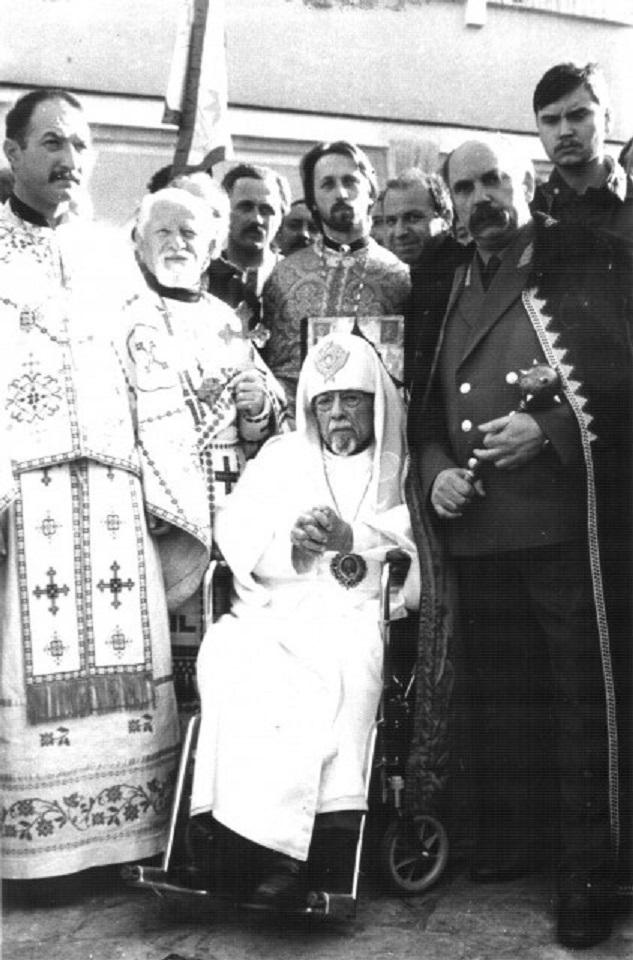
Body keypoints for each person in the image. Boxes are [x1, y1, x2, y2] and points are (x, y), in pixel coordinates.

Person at [410, 136, 632, 949]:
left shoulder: (586, 257)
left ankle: (588, 873)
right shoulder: (440, 276)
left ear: (525, 181)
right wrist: (435, 469)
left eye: (495, 181)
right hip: (477, 529)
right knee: (505, 697)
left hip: (563, 522)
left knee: (579, 700)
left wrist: (550, 429)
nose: (483, 199)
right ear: (450, 201)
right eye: (465, 188)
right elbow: (424, 406)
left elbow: (622, 377)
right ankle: (521, 841)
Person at [0, 89, 211, 884]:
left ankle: (132, 842)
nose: (71, 158)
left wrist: (167, 484)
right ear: (12, 152)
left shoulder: (108, 255)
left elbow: (150, 366)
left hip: (116, 493)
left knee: (130, 657)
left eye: (82, 144)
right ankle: (35, 856)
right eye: (52, 142)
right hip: (24, 495)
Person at [190, 332, 419, 907]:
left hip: (356, 609)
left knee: (331, 665)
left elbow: (414, 545)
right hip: (275, 604)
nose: (337, 413)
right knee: (228, 653)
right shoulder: (281, 455)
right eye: (325, 401)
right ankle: (224, 837)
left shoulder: (402, 465)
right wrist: (288, 547)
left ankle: (293, 853)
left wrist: (352, 537)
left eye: (352, 399)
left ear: (377, 402)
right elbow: (235, 524)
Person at [129, 183, 287, 708]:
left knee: (228, 645)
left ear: (213, 247)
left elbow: (267, 425)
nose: (176, 243)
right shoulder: (122, 318)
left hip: (228, 498)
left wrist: (256, 406)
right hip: (155, 506)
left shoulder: (226, 320)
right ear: (139, 244)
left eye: (189, 233)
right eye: (162, 232)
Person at [263, 140, 410, 419]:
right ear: (313, 201)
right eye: (327, 184)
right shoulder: (284, 277)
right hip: (299, 428)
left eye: (350, 181)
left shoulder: (399, 275)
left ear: (370, 192)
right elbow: (278, 370)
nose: (341, 193)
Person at [382, 168, 471, 391]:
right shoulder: (395, 278)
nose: (399, 232)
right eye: (391, 221)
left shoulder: (471, 273)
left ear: (446, 218)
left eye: (413, 218)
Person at [532, 61, 633, 243]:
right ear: (538, 127)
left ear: (607, 119)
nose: (564, 131)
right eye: (551, 120)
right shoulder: (528, 213)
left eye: (578, 116)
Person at [206, 163, 290, 330]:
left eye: (266, 210)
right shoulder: (202, 276)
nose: (256, 219)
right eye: (245, 207)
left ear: (281, 218)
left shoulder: (296, 278)